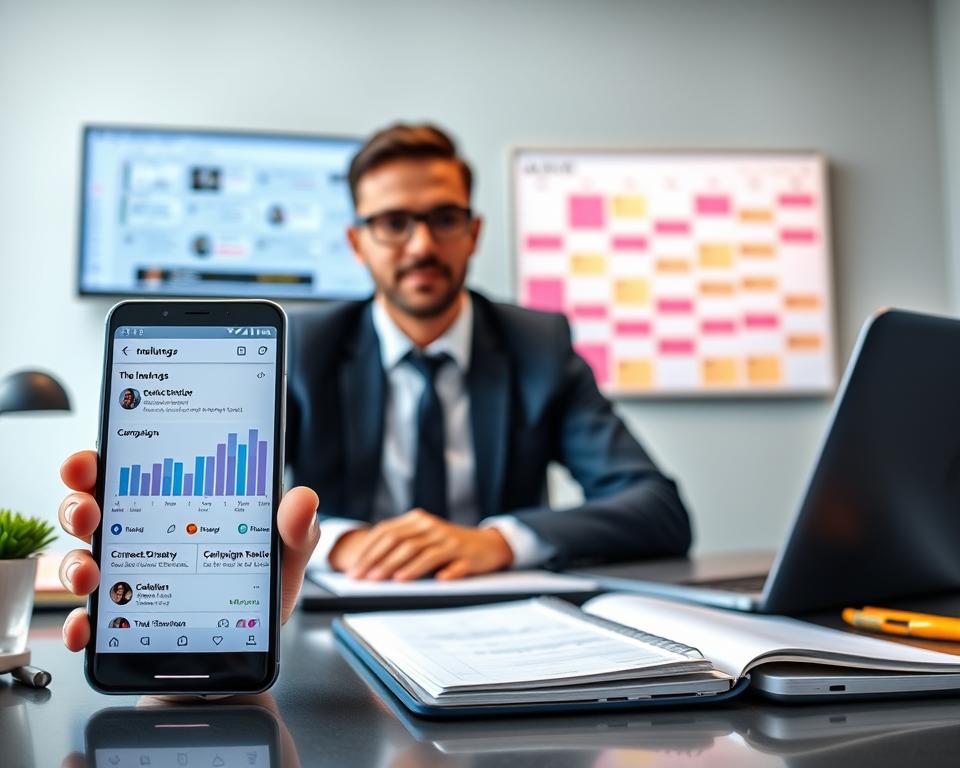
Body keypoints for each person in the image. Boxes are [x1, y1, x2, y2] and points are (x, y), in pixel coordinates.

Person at [286, 123, 691, 582]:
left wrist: (502, 541)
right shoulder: (304, 348)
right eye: (393, 223)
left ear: (473, 232)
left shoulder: (539, 346)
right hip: (345, 609)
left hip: (499, 615)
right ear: (357, 244)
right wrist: (339, 542)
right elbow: (224, 511)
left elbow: (657, 508)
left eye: (444, 219)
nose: (422, 246)